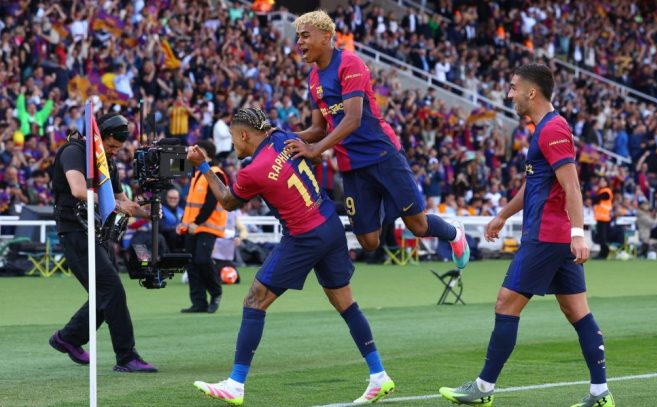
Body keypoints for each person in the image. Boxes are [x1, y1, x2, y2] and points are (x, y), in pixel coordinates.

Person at [189, 108, 395, 405]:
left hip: (303, 236)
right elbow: (314, 155)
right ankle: (378, 375)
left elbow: (227, 201)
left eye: (233, 138)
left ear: (244, 134)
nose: (233, 144)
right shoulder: (282, 137)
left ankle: (235, 384)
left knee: (254, 300)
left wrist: (203, 165)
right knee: (346, 304)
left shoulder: (252, 171)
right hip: (329, 224)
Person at [438, 64, 614, 407]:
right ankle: (600, 393)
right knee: (577, 312)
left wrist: (578, 234)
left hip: (548, 236)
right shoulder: (545, 128)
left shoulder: (553, 128)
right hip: (555, 237)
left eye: (512, 87)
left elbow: (572, 185)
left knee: (506, 303)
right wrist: (503, 215)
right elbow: (535, 184)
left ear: (531, 93)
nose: (509, 94)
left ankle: (483, 388)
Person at [285, 10, 469, 270]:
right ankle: (384, 200)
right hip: (351, 166)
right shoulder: (313, 77)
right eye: (298, 37)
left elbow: (353, 119)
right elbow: (317, 129)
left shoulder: (350, 63)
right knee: (369, 242)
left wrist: (315, 150)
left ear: (326, 37)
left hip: (382, 155)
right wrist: (280, 136)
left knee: (418, 226)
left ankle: (454, 233)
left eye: (305, 36)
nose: (299, 42)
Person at [49, 113, 157, 373]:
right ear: (99, 137)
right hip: (75, 231)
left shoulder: (107, 162)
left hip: (98, 232)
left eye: (118, 148)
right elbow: (78, 190)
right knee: (112, 291)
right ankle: (126, 357)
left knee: (105, 294)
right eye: (111, 146)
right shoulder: (74, 152)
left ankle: (68, 338)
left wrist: (149, 211)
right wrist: (117, 204)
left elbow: (123, 201)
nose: (115, 151)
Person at [178, 140, 228, 314]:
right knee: (192, 264)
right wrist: (184, 223)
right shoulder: (197, 173)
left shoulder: (216, 173)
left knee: (202, 260)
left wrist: (196, 222)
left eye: (196, 151)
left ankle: (216, 293)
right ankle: (198, 302)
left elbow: (211, 203)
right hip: (193, 227)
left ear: (206, 154)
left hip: (206, 227)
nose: (191, 153)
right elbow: (192, 204)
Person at [592, 176, 613, 259]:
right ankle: (603, 252)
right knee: (601, 237)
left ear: (606, 183)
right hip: (600, 218)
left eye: (603, 181)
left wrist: (595, 193)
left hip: (604, 218)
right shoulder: (601, 191)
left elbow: (595, 199)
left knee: (602, 237)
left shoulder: (606, 191)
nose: (601, 182)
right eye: (600, 181)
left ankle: (604, 253)